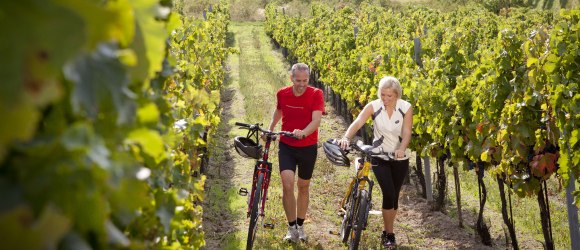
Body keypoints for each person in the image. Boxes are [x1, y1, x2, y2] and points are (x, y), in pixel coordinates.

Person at [337, 76, 413, 249]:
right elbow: (358, 122)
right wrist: (346, 137)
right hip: (378, 155)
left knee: (394, 198)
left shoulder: (405, 108)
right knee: (389, 193)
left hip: (399, 157)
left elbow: (407, 132)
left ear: (397, 95)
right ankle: (390, 234)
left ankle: (386, 231)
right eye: (383, 94)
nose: (385, 99)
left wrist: (401, 148)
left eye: (390, 96)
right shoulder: (374, 106)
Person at [266, 62, 324, 243]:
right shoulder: (282, 93)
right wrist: (270, 128)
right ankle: (291, 228)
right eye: (298, 80)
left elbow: (316, 120)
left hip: (308, 147)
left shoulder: (316, 94)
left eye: (305, 80)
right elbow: (279, 110)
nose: (301, 84)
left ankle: (301, 225)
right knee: (288, 184)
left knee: (303, 186)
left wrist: (303, 133)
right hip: (287, 146)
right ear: (291, 78)